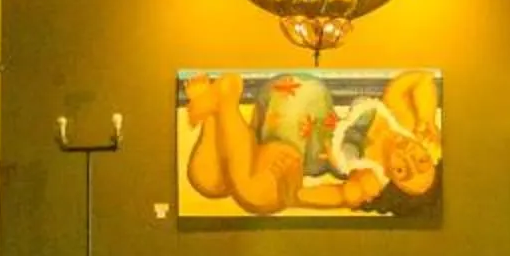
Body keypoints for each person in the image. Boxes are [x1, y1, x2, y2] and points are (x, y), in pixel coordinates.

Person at [181, 67, 441, 216]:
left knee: (210, 183)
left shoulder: (371, 179)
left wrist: (293, 196)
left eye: (402, 170)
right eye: (421, 161)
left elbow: (340, 195)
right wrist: (428, 119)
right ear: (430, 155)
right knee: (253, 192)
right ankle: (226, 100)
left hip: (301, 152)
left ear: (392, 182)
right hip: (303, 111)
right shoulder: (402, 122)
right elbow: (420, 79)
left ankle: (215, 115)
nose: (407, 155)